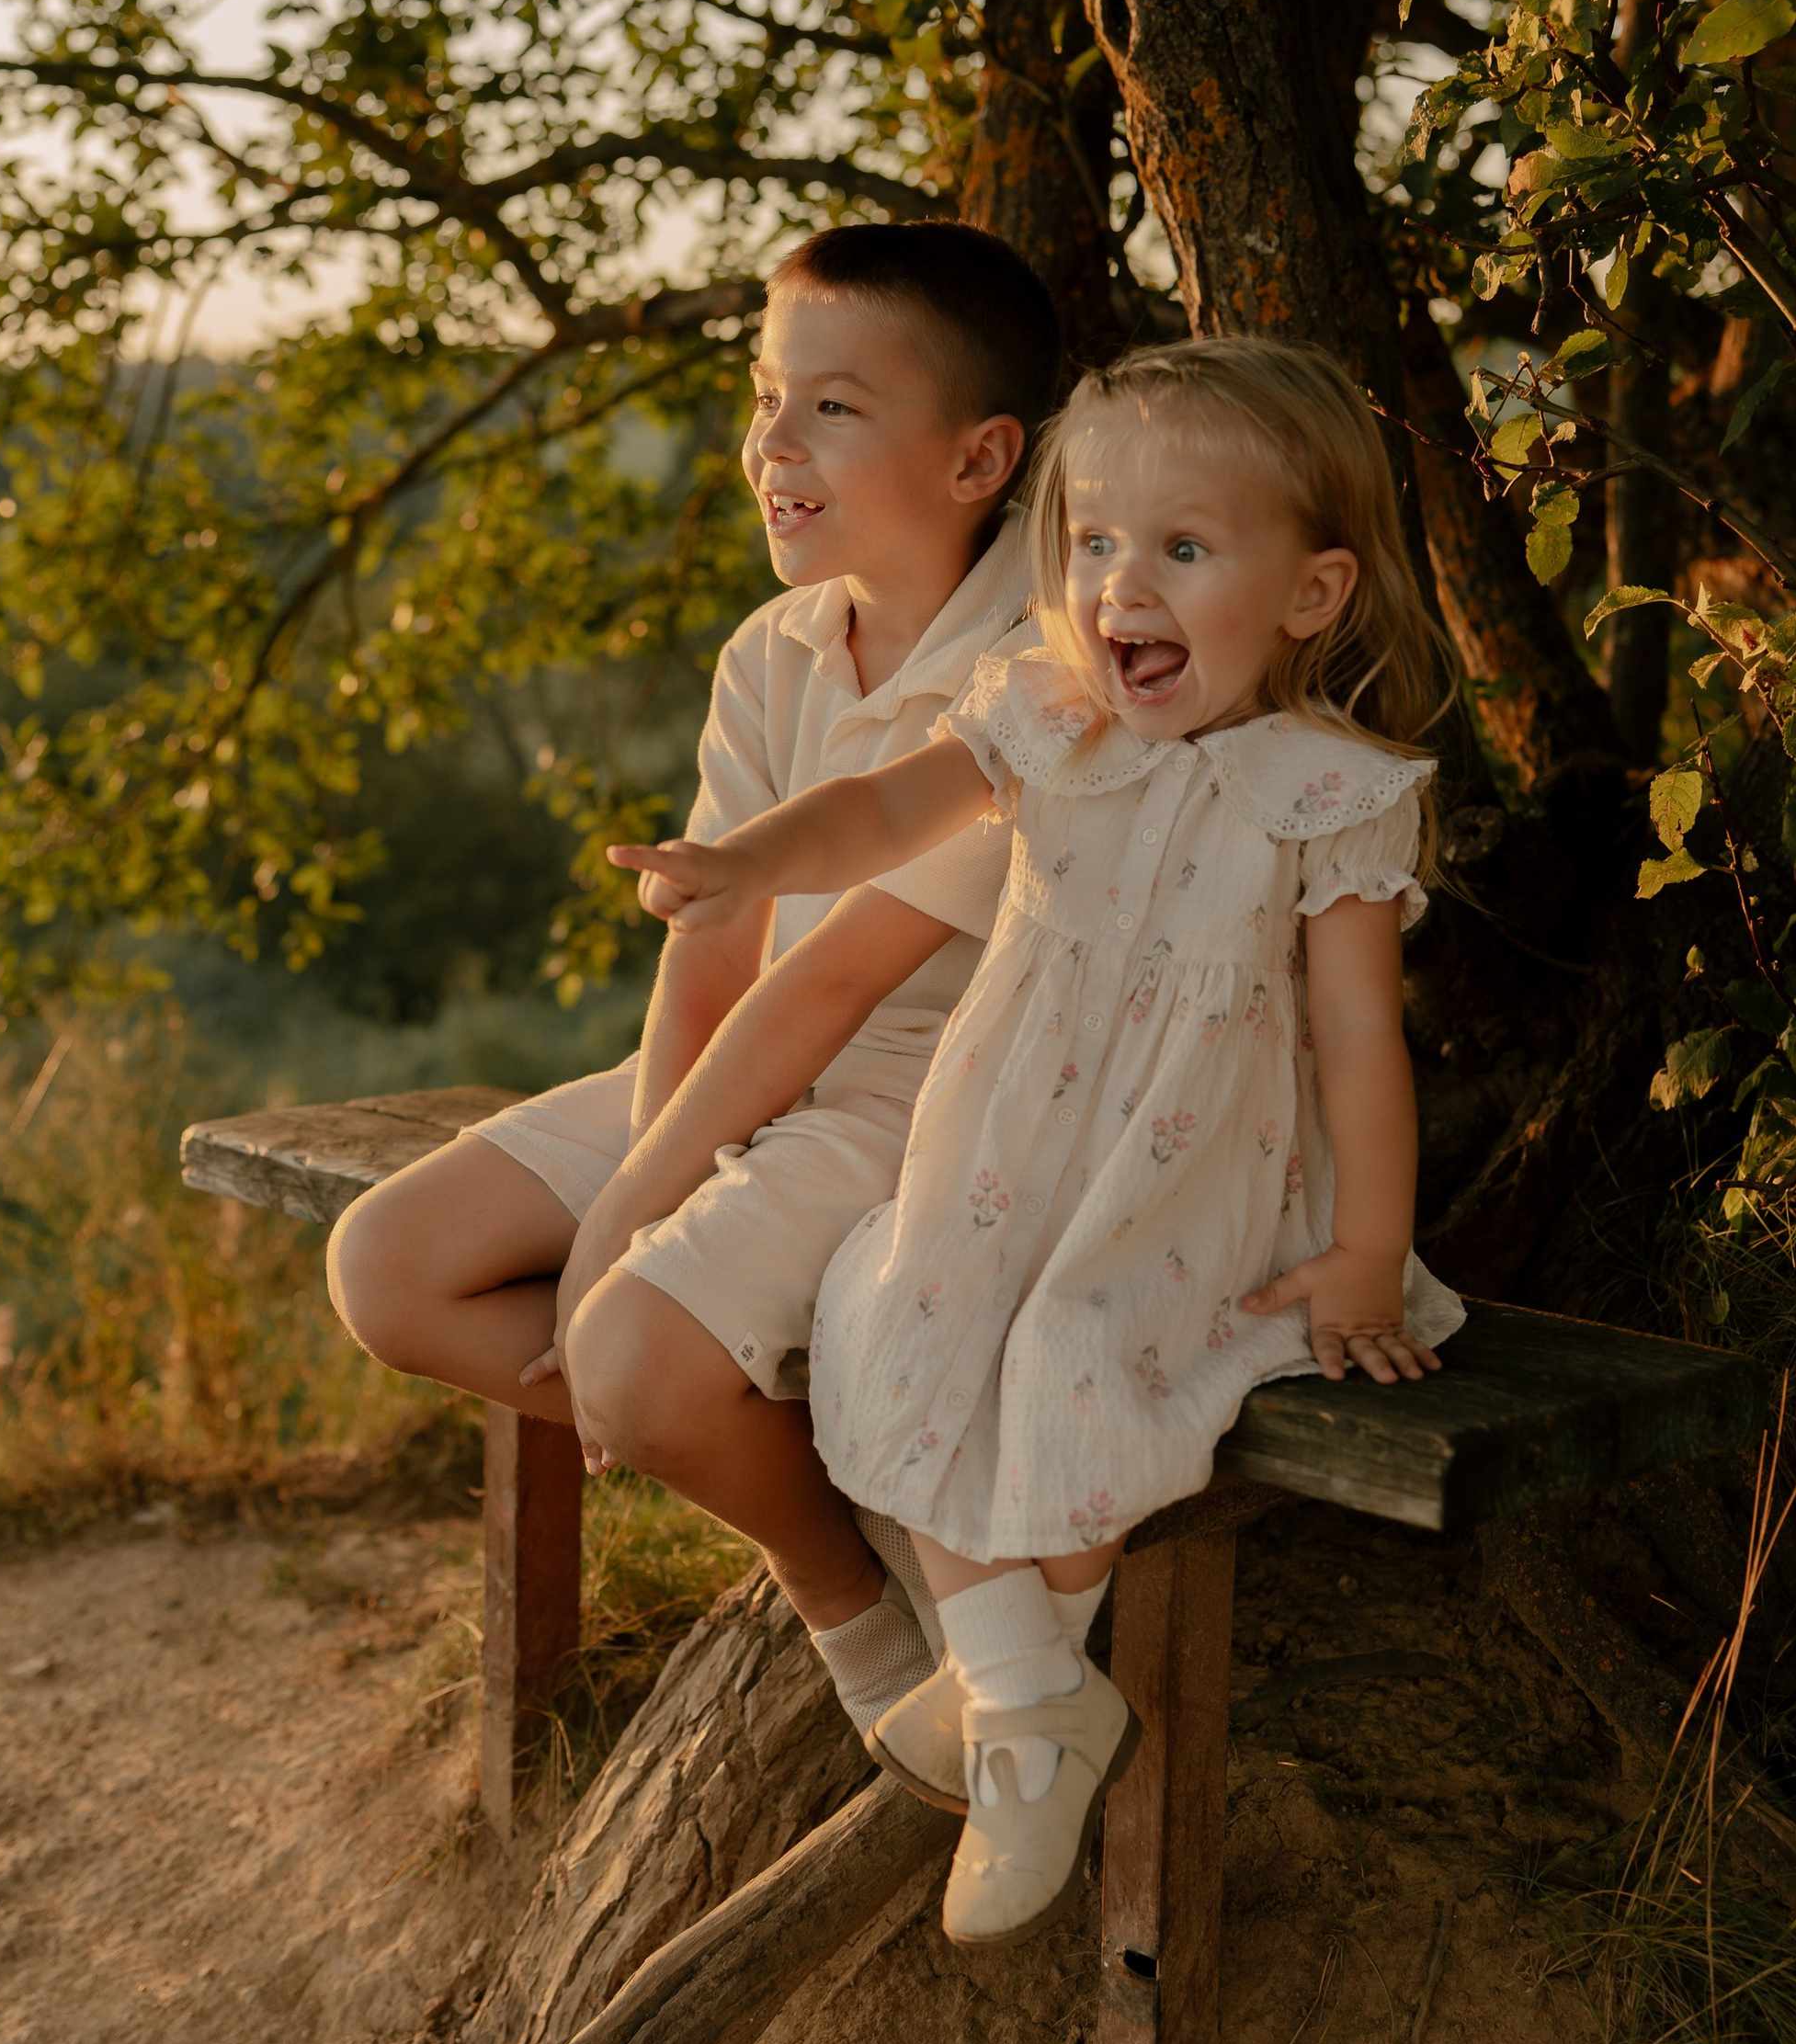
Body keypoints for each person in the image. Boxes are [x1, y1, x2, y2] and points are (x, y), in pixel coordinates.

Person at [563, 335, 1464, 1950]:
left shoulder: (1331, 793)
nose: (1122, 586)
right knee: (890, 1315)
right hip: (1003, 1149)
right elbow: (878, 820)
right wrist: (742, 857)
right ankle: (1033, 1697)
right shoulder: (1046, 721)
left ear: (1313, 594)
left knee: (1069, 1348)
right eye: (1095, 542)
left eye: (1183, 550)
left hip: (1194, 1180)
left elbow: (1354, 1041)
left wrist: (1368, 1254)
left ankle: (1023, 1723)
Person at [326, 220, 1063, 1742]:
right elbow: (718, 951)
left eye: (833, 408)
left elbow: (833, 996)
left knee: (645, 1362)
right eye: (763, 396)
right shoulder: (779, 650)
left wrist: (632, 1217)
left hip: (915, 1102)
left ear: (981, 457)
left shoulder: (1036, 682)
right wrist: (662, 1152)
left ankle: (838, 1590)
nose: (771, 441)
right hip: (750, 1066)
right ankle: (822, 1498)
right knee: (386, 1267)